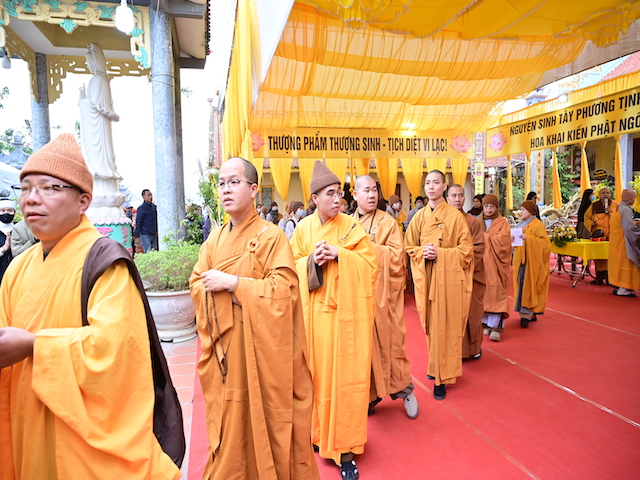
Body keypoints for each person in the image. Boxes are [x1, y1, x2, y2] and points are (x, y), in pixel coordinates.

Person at [0, 134, 180, 479]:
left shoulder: (104, 261)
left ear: (83, 201)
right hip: (27, 427)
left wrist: (35, 346)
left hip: (82, 444)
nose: (32, 198)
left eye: (49, 188)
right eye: (25, 188)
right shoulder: (17, 270)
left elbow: (114, 352)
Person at [189, 157, 319, 479]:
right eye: (222, 183)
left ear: (253, 189)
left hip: (261, 357)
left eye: (234, 182)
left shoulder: (272, 236)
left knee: (264, 426)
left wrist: (234, 284)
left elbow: (284, 292)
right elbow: (197, 283)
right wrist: (225, 288)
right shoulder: (213, 240)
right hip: (226, 357)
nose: (226, 189)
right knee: (230, 430)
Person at [290, 160, 376, 480]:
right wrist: (312, 261)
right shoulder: (303, 229)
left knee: (344, 381)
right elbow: (289, 268)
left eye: (339, 192)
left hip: (344, 320)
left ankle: (345, 449)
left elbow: (370, 266)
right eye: (330, 193)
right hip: (313, 319)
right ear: (314, 199)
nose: (337, 199)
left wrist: (341, 255)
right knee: (315, 379)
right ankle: (317, 433)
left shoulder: (351, 226)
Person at [352, 175, 418, 419]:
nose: (371, 195)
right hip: (357, 298)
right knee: (363, 350)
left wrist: (367, 248)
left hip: (383, 298)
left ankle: (405, 390)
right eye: (366, 190)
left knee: (392, 345)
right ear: (355, 194)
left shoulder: (387, 222)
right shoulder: (346, 223)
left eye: (374, 190)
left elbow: (398, 258)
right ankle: (370, 395)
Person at [405, 170, 473, 401]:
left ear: (444, 187)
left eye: (436, 182)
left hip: (449, 282)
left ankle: (442, 377)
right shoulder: (419, 217)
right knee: (431, 327)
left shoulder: (455, 217)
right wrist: (422, 252)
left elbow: (466, 252)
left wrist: (441, 254)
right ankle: (436, 365)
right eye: (428, 183)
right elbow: (409, 246)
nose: (431, 187)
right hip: (427, 279)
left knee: (447, 326)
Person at [447, 185, 486, 360]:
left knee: (472, 313)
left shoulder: (472, 222)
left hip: (470, 275)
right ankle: (452, 351)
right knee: (450, 315)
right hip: (447, 276)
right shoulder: (440, 221)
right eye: (454, 196)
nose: (457, 199)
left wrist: (461, 264)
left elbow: (478, 248)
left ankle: (473, 348)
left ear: (465, 198)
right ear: (447, 198)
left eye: (460, 196)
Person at [512, 201, 551, 327]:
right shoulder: (521, 224)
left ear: (530, 211)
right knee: (521, 286)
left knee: (528, 287)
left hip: (532, 263)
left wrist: (528, 238)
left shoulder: (537, 225)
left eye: (523, 209)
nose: (521, 212)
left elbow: (546, 245)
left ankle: (526, 316)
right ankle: (529, 313)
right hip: (521, 261)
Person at [479, 194, 511, 342]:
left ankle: (496, 327)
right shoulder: (477, 221)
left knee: (497, 292)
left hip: (496, 265)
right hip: (481, 264)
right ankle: (486, 323)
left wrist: (486, 237)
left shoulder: (502, 222)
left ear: (497, 207)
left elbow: (505, 240)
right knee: (483, 293)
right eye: (486, 206)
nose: (489, 209)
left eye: (492, 206)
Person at [608, 189, 640, 297]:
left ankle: (621, 286)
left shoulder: (618, 207)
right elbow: (628, 227)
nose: (634, 200)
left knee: (619, 264)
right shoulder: (625, 209)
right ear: (629, 199)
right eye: (633, 198)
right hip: (624, 242)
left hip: (617, 241)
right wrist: (638, 232)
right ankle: (624, 288)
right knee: (627, 263)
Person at [584, 187, 617, 285]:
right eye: (603, 193)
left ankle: (611, 279)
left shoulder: (616, 205)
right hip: (599, 235)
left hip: (612, 235)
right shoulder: (594, 205)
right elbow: (586, 217)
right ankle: (599, 278)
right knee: (599, 258)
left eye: (607, 193)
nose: (606, 195)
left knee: (611, 258)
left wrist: (610, 213)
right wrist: (591, 224)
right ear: (600, 195)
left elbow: (620, 218)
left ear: (610, 194)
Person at [0, 199, 15, 282]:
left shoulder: (21, 229)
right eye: (2, 211)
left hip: (17, 275)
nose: (6, 213)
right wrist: (4, 248)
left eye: (10, 210)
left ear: (14, 212)